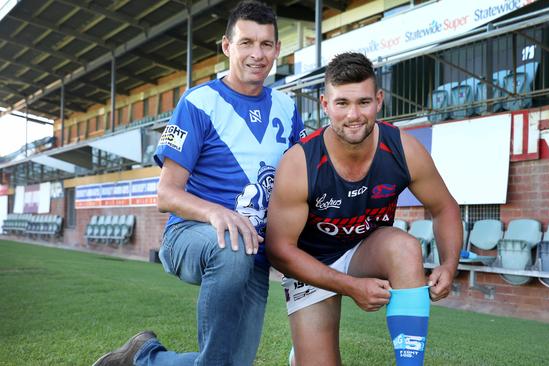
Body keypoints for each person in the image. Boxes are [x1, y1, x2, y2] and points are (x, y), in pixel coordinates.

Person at [93, 1, 304, 365]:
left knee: (228, 363)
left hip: (253, 256)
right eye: (246, 43)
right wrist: (216, 213)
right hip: (194, 237)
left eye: (266, 44)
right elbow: (165, 193)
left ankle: (142, 357)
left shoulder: (287, 107)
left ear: (277, 49)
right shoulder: (198, 102)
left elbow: (301, 180)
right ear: (226, 46)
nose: (257, 54)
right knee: (232, 248)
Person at [265, 52, 462, 366]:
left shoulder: (403, 148)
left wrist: (449, 265)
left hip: (365, 249)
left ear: (379, 100)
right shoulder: (299, 162)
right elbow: (279, 251)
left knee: (404, 247)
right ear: (325, 104)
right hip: (311, 263)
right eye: (342, 103)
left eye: (363, 102)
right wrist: (352, 287)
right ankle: (305, 351)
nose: (353, 115)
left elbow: (445, 207)